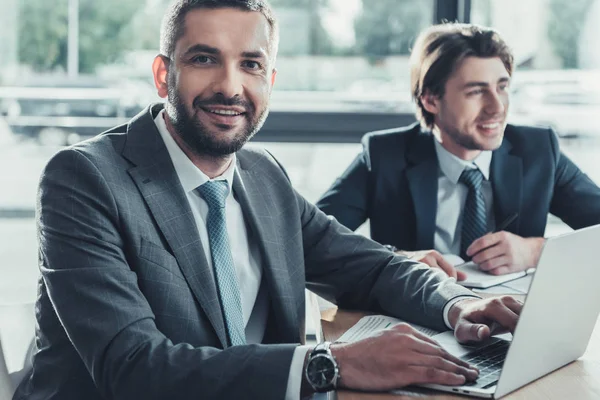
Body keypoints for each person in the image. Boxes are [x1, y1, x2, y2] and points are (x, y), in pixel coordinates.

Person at [15, 4, 523, 400]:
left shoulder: (264, 174)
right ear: (163, 74)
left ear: (270, 81)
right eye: (203, 58)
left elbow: (370, 268)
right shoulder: (84, 179)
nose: (230, 86)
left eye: (251, 64)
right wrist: (332, 363)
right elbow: (134, 369)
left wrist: (458, 302)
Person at [317, 22, 600, 280]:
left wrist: (537, 252)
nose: (497, 107)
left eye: (501, 87)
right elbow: (311, 241)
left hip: (512, 321)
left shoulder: (538, 151)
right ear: (430, 99)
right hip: (413, 319)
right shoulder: (383, 156)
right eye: (476, 92)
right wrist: (396, 259)